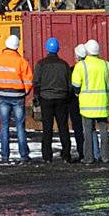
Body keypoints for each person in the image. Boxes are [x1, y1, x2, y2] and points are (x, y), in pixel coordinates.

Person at [0, 30, 34, 163]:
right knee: (20, 127)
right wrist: (25, 91)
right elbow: (28, 80)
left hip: (2, 96)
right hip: (18, 96)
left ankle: (4, 156)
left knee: (4, 126)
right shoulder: (21, 61)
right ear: (17, 47)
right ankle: (24, 156)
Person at [71, 38, 109, 166]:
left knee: (88, 132)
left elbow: (75, 85)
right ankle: (106, 157)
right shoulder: (107, 65)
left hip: (87, 105)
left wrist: (78, 93)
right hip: (102, 103)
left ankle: (89, 158)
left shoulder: (81, 66)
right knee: (104, 131)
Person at [33, 35, 75, 163]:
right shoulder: (64, 65)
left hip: (46, 99)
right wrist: (67, 97)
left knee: (47, 128)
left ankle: (47, 156)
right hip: (62, 99)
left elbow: (36, 82)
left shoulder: (41, 64)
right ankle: (66, 155)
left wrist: (37, 97)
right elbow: (70, 84)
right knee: (63, 127)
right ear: (58, 49)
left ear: (47, 48)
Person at [68, 42, 87, 160]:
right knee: (89, 129)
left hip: (75, 103)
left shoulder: (73, 70)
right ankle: (92, 152)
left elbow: (72, 87)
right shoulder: (91, 68)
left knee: (78, 129)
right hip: (90, 102)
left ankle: (82, 152)